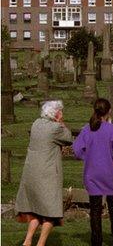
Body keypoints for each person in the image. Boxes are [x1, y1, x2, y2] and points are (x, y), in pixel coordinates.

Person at [73, 98, 113, 246]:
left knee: (95, 210)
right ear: (109, 111)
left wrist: (88, 157)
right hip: (110, 173)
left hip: (92, 173)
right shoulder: (112, 129)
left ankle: (96, 240)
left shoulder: (87, 129)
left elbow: (77, 149)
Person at [15, 100, 73, 246]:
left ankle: (27, 241)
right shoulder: (55, 128)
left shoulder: (36, 124)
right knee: (51, 212)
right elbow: (68, 138)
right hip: (47, 175)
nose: (62, 114)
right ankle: (40, 243)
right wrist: (61, 123)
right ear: (56, 113)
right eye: (61, 111)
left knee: (36, 210)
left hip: (31, 172)